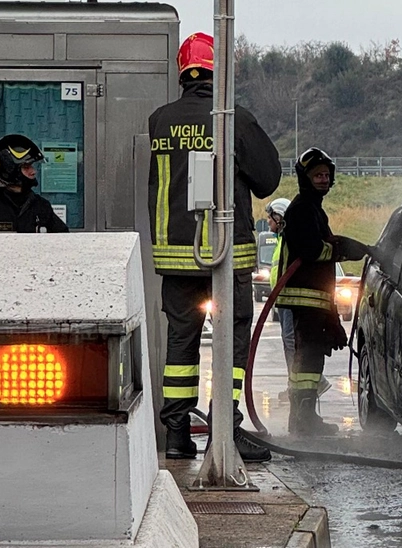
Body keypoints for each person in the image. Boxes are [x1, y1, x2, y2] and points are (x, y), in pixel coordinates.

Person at [148, 32, 280, 461]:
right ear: (218, 71)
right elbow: (268, 179)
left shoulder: (160, 120)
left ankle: (176, 434)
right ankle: (226, 429)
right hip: (225, 256)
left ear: (183, 72)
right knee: (231, 340)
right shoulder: (233, 119)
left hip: (175, 258)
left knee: (180, 346)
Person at [276, 148, 368, 436]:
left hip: (314, 298)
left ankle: (305, 417)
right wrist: (343, 249)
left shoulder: (313, 208)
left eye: (327, 175)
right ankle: (302, 421)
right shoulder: (303, 208)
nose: (324, 180)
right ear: (305, 178)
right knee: (307, 360)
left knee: (312, 359)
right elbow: (312, 249)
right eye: (317, 175)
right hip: (305, 297)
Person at [266, 198, 332, 403]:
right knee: (289, 342)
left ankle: (308, 385)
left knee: (293, 342)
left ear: (280, 217)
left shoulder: (291, 238)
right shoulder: (281, 240)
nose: (268, 222)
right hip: (284, 298)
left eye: (271, 218)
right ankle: (295, 386)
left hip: (291, 298)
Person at [0, 134, 69, 234]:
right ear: (10, 168)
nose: (33, 171)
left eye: (32, 166)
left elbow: (63, 242)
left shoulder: (41, 206)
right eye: (26, 167)